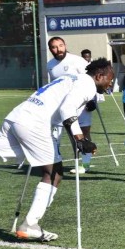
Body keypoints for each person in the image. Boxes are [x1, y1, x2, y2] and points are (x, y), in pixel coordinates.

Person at [0, 58, 114, 241]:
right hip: (34, 123)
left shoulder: (70, 78)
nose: (110, 84)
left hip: (16, 117)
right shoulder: (87, 85)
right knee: (54, 173)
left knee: (52, 169)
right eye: (109, 80)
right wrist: (80, 139)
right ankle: (30, 225)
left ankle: (30, 224)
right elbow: (67, 109)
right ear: (99, 76)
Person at [46, 37, 96, 174]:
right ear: (50, 49)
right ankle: (56, 161)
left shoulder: (77, 61)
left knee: (84, 133)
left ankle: (85, 164)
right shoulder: (50, 65)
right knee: (68, 133)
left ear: (65, 45)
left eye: (61, 45)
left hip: (82, 103)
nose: (58, 49)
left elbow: (90, 80)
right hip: (63, 105)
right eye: (54, 47)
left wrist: (92, 100)